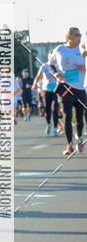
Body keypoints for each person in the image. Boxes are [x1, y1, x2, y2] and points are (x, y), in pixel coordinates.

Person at [49, 27, 86, 155]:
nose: (79, 37)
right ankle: (69, 144)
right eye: (76, 35)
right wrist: (56, 74)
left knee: (80, 118)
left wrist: (84, 67)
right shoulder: (59, 49)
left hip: (80, 89)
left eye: (80, 35)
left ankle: (79, 139)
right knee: (67, 116)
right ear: (69, 37)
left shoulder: (82, 49)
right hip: (65, 88)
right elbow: (51, 64)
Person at [32, 60, 59, 135]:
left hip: (56, 90)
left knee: (55, 108)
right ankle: (49, 124)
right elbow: (38, 75)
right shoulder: (44, 66)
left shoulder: (58, 65)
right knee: (47, 108)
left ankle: (55, 128)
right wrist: (34, 83)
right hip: (46, 90)